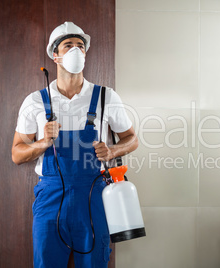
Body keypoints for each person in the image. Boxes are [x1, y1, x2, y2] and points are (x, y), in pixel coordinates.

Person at [11, 21, 138, 268]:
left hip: (93, 196)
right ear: (55, 56)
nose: (76, 51)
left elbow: (132, 139)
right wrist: (43, 143)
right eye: (68, 45)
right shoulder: (35, 101)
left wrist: (113, 150)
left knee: (94, 263)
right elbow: (17, 153)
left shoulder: (105, 97)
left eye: (80, 46)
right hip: (50, 196)